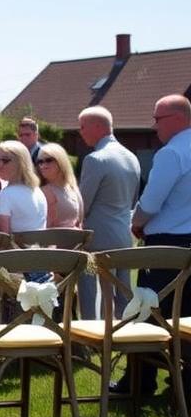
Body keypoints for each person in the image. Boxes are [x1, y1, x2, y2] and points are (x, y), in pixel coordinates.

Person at [122, 94, 191, 396]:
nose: (154, 126)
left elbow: (150, 202)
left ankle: (138, 381)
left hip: (167, 245)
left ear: (178, 118)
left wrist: (137, 222)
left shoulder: (172, 152)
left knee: (148, 309)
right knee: (186, 314)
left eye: (157, 118)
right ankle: (182, 385)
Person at [77, 106, 141, 319]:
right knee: (123, 294)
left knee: (88, 290)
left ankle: (89, 333)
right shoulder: (132, 157)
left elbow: (83, 205)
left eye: (83, 126)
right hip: (124, 235)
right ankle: (125, 335)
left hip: (96, 238)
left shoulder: (95, 159)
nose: (80, 131)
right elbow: (132, 201)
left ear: (97, 126)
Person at [0, 140, 46, 234]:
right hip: (39, 247)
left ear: (20, 163)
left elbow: (4, 237)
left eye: (5, 161)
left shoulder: (6, 195)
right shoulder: (38, 191)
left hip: (18, 248)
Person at [36, 143, 83, 228]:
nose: (43, 165)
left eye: (48, 160)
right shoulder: (43, 192)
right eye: (40, 162)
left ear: (61, 161)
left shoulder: (72, 188)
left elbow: (80, 222)